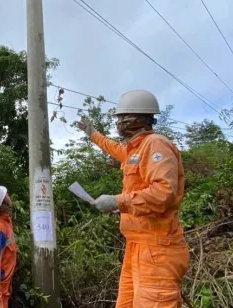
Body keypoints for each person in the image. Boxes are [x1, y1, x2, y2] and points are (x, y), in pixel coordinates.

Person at [76, 90, 189, 308]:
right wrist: (92, 133)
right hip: (136, 246)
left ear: (137, 118)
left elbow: (163, 193)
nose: (118, 122)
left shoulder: (156, 144)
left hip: (157, 249)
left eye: (121, 117)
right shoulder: (134, 149)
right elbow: (114, 148)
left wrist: (118, 201)